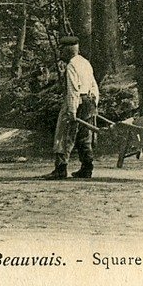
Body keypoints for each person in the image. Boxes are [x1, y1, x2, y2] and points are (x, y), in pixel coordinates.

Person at [43, 36, 99, 179]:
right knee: (84, 136)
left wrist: (72, 110)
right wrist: (94, 103)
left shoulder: (71, 66)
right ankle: (87, 167)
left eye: (61, 50)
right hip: (89, 102)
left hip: (77, 102)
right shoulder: (85, 63)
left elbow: (73, 90)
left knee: (64, 135)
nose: (60, 53)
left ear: (68, 51)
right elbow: (94, 85)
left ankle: (61, 169)